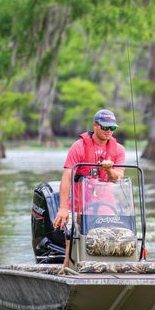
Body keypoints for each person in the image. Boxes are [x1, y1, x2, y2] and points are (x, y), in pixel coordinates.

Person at [53, 109, 125, 269]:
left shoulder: (118, 149)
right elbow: (66, 177)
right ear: (95, 125)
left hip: (106, 207)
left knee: (107, 248)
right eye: (105, 127)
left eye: (112, 128)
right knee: (70, 252)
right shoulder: (79, 147)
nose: (109, 131)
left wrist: (108, 169)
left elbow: (118, 177)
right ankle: (67, 273)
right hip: (78, 206)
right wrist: (63, 208)